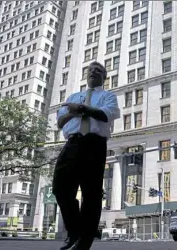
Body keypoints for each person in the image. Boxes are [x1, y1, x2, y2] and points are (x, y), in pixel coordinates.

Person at [52, 61, 120, 250]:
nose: (93, 72)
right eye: (90, 70)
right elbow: (60, 121)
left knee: (91, 193)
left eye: (98, 71)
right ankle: (75, 231)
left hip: (95, 144)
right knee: (60, 187)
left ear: (104, 77)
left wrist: (80, 110)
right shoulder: (74, 95)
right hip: (72, 143)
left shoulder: (108, 96)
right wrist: (78, 111)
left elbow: (108, 114)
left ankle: (85, 241)